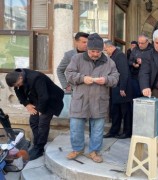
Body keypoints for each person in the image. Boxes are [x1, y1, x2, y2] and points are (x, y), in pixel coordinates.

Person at [65, 33, 119, 163]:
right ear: (87, 49)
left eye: (98, 51)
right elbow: (69, 74)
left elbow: (116, 78)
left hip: (99, 100)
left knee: (98, 128)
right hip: (80, 99)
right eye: (92, 51)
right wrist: (82, 78)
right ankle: (77, 149)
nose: (95, 54)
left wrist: (105, 80)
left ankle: (94, 151)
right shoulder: (76, 58)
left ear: (102, 49)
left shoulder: (109, 62)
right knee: (76, 126)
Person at [5, 69, 64, 160]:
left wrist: (41, 110)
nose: (17, 86)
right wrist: (27, 104)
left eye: (17, 84)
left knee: (42, 123)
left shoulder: (37, 78)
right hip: (37, 99)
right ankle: (36, 144)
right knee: (33, 121)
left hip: (51, 100)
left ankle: (40, 149)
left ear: (20, 77)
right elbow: (18, 92)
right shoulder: (16, 76)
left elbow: (44, 96)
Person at [103, 40, 133, 139]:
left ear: (110, 47)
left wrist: (122, 88)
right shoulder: (113, 56)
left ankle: (127, 132)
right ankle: (113, 131)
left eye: (106, 49)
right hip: (115, 88)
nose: (105, 51)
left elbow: (124, 73)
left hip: (122, 89)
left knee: (125, 112)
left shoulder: (120, 56)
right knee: (115, 111)